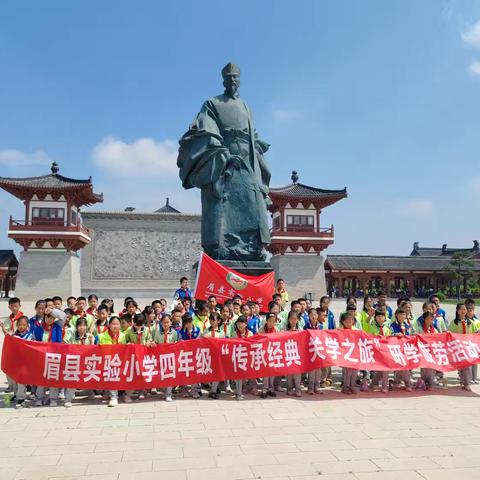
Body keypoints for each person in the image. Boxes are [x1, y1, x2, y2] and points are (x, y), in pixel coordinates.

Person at [32, 307, 67, 406]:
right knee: (41, 380)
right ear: (44, 317)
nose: (50, 319)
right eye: (48, 317)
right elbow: (33, 340)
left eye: (52, 317)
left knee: (53, 379)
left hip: (54, 357)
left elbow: (63, 316)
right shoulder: (38, 328)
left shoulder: (58, 326)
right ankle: (40, 398)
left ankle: (53, 399)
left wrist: (52, 311)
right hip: (41, 357)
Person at [0, 315, 33, 408]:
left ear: (27, 325)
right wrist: (2, 327)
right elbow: (7, 338)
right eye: (19, 324)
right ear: (16, 325)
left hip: (24, 363)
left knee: (21, 381)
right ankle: (16, 394)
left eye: (23, 325)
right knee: (12, 380)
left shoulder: (30, 336)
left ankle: (21, 398)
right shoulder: (14, 335)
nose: (21, 326)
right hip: (14, 362)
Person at [63, 318, 96, 407]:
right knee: (72, 380)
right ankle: (68, 399)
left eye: (84, 325)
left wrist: (92, 341)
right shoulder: (71, 336)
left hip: (86, 362)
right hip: (75, 362)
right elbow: (66, 346)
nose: (82, 328)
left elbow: (93, 351)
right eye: (80, 326)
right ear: (76, 327)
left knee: (89, 377)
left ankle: (90, 392)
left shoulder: (89, 336)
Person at [98, 316, 126, 407]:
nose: (115, 326)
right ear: (109, 325)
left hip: (119, 361)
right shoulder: (101, 336)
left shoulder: (122, 336)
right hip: (106, 362)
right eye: (113, 324)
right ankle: (112, 396)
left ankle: (114, 396)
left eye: (117, 324)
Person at [448, 303, 475, 392]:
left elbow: (475, 332)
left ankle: (467, 383)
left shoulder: (470, 322)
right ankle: (462, 380)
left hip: (468, 347)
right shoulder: (454, 323)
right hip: (458, 347)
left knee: (467, 365)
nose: (464, 311)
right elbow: (450, 333)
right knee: (461, 365)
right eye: (461, 309)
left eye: (465, 309)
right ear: (457, 311)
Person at [153, 315, 180, 402]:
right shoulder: (157, 333)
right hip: (160, 357)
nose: (166, 324)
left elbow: (178, 344)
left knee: (170, 376)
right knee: (162, 376)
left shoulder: (175, 333)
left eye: (168, 322)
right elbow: (155, 343)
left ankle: (169, 394)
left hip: (171, 358)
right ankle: (165, 392)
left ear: (171, 323)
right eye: (164, 322)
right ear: (161, 323)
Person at [304, 308, 327, 395]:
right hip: (310, 350)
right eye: (311, 315)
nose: (313, 316)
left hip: (319, 350)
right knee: (311, 370)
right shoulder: (306, 326)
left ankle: (317, 386)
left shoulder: (321, 326)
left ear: (317, 316)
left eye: (315, 315)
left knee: (318, 370)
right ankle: (310, 387)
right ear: (308, 316)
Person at [202, 313, 225, 399]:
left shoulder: (222, 332)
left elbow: (224, 344)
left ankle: (213, 391)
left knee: (217, 373)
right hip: (208, 355)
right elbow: (201, 341)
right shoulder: (206, 331)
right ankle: (211, 387)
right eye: (211, 320)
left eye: (214, 320)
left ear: (218, 321)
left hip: (217, 356)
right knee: (208, 373)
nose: (212, 322)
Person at [390, 308, 413, 391]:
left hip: (406, 348)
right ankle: (408, 384)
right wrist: (396, 334)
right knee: (403, 366)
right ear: (396, 315)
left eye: (404, 314)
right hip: (396, 348)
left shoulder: (407, 325)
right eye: (400, 314)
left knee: (402, 366)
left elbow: (411, 335)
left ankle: (397, 382)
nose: (402, 316)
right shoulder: (393, 325)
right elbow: (390, 334)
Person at [369, 309, 392, 393]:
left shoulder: (387, 328)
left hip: (385, 351)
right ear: (375, 318)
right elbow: (369, 338)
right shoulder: (372, 328)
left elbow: (389, 338)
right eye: (378, 316)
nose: (380, 318)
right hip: (376, 351)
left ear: (385, 318)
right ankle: (380, 385)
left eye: (382, 316)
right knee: (382, 369)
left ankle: (381, 385)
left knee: (384, 368)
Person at [231, 316, 253, 400]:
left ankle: (245, 388)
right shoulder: (234, 334)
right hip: (238, 357)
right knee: (239, 376)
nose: (240, 325)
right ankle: (238, 393)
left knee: (245, 377)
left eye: (242, 323)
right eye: (238, 323)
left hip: (248, 357)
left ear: (246, 324)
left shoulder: (250, 333)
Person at [418, 311, 440, 390]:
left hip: (432, 351)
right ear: (424, 319)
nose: (430, 321)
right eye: (428, 319)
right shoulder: (420, 329)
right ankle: (423, 381)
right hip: (423, 351)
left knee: (431, 367)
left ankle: (430, 382)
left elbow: (438, 338)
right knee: (424, 367)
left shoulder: (434, 330)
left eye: (431, 319)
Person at [283, 311, 302, 397]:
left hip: (297, 354)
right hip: (287, 353)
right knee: (289, 372)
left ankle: (298, 389)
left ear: (298, 320)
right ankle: (289, 387)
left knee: (297, 372)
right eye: (291, 319)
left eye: (295, 319)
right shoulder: (284, 330)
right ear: (288, 320)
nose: (293, 321)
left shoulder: (301, 330)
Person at [339, 312, 359, 394]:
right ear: (342, 322)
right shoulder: (339, 330)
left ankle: (352, 385)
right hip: (345, 354)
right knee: (347, 371)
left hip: (354, 353)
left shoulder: (356, 330)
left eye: (350, 322)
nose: (348, 324)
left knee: (355, 370)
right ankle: (345, 386)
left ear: (353, 321)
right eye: (346, 322)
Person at [259, 313, 278, 399]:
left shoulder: (276, 330)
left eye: (273, 321)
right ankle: (264, 389)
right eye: (269, 321)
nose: (271, 323)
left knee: (272, 372)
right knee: (265, 372)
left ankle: (271, 388)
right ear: (266, 321)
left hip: (273, 353)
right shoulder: (261, 330)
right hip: (264, 353)